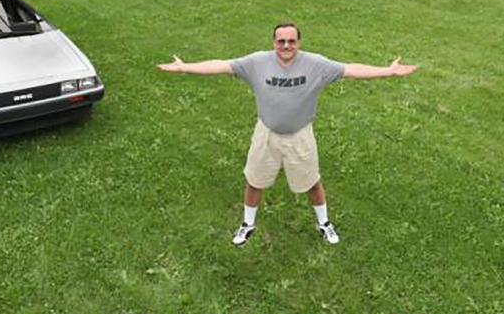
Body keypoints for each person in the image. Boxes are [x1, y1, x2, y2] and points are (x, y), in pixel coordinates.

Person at [157, 22, 418, 246]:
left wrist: (388, 71)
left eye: (291, 41)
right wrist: (185, 67)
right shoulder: (256, 62)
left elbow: (351, 69)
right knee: (254, 181)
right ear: (273, 43)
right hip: (266, 134)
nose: (286, 46)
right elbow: (221, 65)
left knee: (312, 183)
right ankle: (247, 225)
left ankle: (324, 223)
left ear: (299, 43)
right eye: (281, 41)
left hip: (300, 135)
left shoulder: (317, 65)